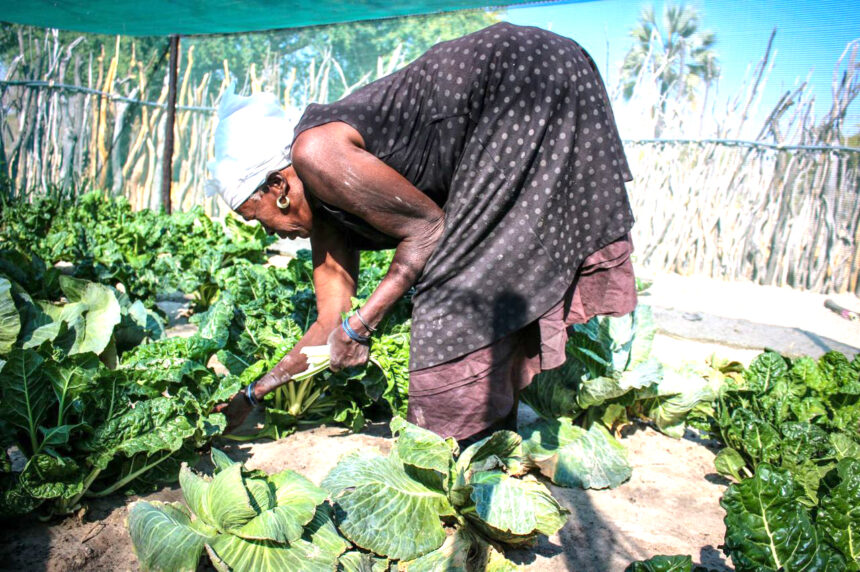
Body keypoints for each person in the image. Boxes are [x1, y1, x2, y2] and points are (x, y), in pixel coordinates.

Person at [209, 22, 637, 443]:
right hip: (546, 72)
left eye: (256, 216)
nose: (268, 232)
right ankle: (491, 443)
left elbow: (428, 228)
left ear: (278, 189)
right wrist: (256, 391)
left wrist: (363, 325)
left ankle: (465, 450)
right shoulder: (326, 217)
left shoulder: (315, 152)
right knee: (485, 281)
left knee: (448, 295)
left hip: (518, 80)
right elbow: (328, 324)